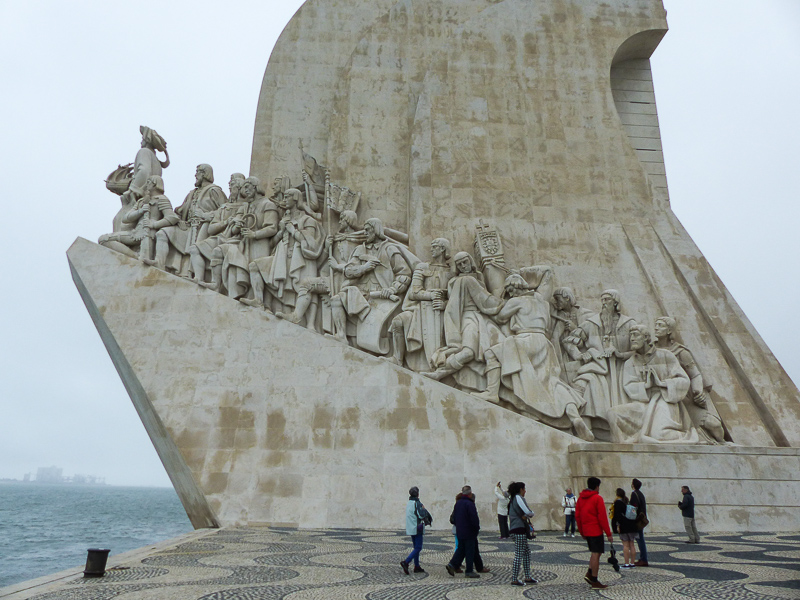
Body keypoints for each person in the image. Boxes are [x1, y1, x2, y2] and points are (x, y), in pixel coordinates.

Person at [608, 325, 697, 443]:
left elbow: (684, 380)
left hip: (664, 401)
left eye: (636, 335)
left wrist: (662, 383)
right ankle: (623, 447)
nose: (632, 339)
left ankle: (684, 434)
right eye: (631, 336)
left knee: (658, 434)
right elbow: (629, 385)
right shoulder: (630, 362)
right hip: (644, 404)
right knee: (613, 414)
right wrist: (646, 385)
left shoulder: (665, 355)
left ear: (646, 337)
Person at [575, 476, 613, 589]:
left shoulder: (581, 499)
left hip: (587, 530)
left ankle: (590, 572)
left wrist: (582, 531)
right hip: (595, 530)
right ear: (597, 487)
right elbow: (602, 517)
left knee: (595, 553)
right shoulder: (597, 498)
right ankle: (594, 579)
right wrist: (608, 533)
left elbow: (578, 516)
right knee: (596, 554)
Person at [445, 485, 481, 578]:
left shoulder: (458, 503)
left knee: (461, 549)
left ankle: (452, 564)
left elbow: (455, 517)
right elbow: (474, 518)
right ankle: (469, 571)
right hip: (469, 531)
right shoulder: (469, 504)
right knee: (469, 551)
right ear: (470, 493)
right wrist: (476, 528)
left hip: (460, 530)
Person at [507, 481, 537, 586]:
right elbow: (528, 512)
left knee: (527, 552)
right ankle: (514, 578)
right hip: (518, 529)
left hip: (517, 529)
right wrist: (530, 514)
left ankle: (527, 576)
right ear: (520, 489)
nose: (525, 491)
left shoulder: (512, 499)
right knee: (519, 554)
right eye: (524, 489)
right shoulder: (518, 498)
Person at [400, 486, 426, 574]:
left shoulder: (409, 503)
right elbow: (421, 515)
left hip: (411, 528)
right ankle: (406, 562)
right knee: (418, 547)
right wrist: (423, 509)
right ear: (418, 494)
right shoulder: (417, 503)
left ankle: (417, 566)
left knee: (416, 547)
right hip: (417, 528)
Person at [610, 488, 637, 568]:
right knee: (632, 545)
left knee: (626, 545)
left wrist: (615, 527)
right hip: (632, 525)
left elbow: (616, 516)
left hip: (624, 526)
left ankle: (626, 563)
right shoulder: (626, 501)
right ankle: (632, 563)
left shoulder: (618, 503)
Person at [630, 478, 649, 566]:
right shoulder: (641, 494)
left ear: (633, 485)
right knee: (640, 538)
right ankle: (643, 558)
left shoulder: (634, 494)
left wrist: (631, 518)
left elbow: (634, 508)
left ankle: (643, 559)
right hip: (641, 519)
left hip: (637, 520)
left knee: (640, 539)